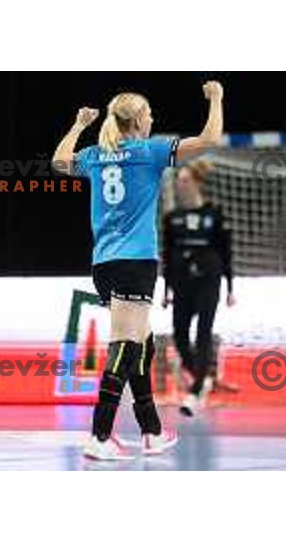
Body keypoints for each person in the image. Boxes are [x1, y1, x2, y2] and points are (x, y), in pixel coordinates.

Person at [52, 82, 224, 460]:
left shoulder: (97, 155)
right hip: (135, 263)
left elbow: (59, 162)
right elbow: (211, 138)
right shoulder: (151, 151)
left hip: (104, 263)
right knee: (126, 345)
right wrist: (216, 98)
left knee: (141, 342)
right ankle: (99, 435)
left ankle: (151, 430)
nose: (152, 119)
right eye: (148, 114)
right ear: (137, 121)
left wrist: (79, 125)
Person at [161, 159, 236, 417]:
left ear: (195, 183)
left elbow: (225, 251)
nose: (180, 186)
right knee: (180, 336)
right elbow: (167, 255)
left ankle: (194, 393)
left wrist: (230, 287)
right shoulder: (173, 219)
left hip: (209, 278)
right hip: (182, 281)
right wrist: (166, 290)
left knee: (203, 333)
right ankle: (202, 378)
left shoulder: (213, 214)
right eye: (178, 182)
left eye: (184, 181)